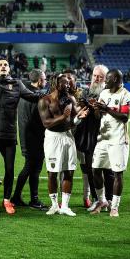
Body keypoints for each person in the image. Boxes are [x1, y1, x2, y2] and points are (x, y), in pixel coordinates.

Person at [0, 58, 41, 214]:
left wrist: (51, 94)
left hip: (8, 135)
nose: (3, 66)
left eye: (6, 65)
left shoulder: (16, 84)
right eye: (0, 64)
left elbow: (33, 96)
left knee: (9, 169)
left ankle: (7, 200)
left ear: (9, 69)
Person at [38, 73, 89, 217]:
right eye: (64, 83)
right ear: (55, 84)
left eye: (68, 83)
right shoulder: (45, 101)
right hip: (53, 139)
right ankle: (54, 205)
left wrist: (78, 118)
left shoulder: (71, 99)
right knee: (52, 173)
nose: (68, 85)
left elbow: (72, 122)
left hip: (68, 137)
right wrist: (63, 117)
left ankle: (65, 206)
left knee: (69, 171)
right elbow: (46, 123)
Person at [89, 69, 130, 217]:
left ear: (114, 79)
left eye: (107, 78)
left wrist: (106, 108)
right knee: (95, 169)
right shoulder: (104, 93)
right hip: (103, 138)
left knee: (117, 173)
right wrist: (96, 108)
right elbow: (97, 116)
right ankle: (102, 201)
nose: (104, 81)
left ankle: (114, 207)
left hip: (118, 140)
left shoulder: (126, 95)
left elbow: (125, 117)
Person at [11, 68, 49, 210]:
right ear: (39, 80)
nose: (45, 81)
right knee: (32, 168)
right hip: (34, 138)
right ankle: (30, 199)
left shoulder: (24, 93)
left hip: (26, 136)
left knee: (31, 168)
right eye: (44, 79)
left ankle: (20, 197)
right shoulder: (36, 96)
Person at [76, 65, 109, 208]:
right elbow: (78, 110)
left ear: (105, 79)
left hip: (102, 136)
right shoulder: (84, 92)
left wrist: (97, 109)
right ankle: (94, 197)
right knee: (88, 168)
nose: (97, 78)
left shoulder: (107, 93)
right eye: (95, 75)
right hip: (85, 134)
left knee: (105, 170)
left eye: (100, 76)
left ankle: (106, 199)